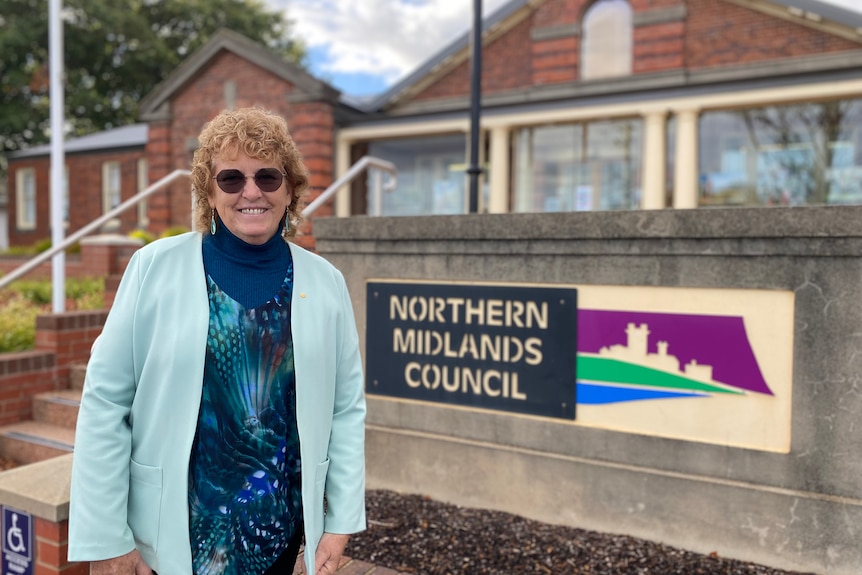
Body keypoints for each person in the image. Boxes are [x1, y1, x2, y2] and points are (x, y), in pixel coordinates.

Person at [68, 107, 367, 575]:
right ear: (209, 191)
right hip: (170, 539)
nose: (252, 192)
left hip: (275, 534)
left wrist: (339, 520)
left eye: (268, 177)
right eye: (231, 179)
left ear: (290, 190)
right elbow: (105, 402)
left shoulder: (325, 282)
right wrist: (107, 538)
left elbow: (345, 409)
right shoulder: (153, 268)